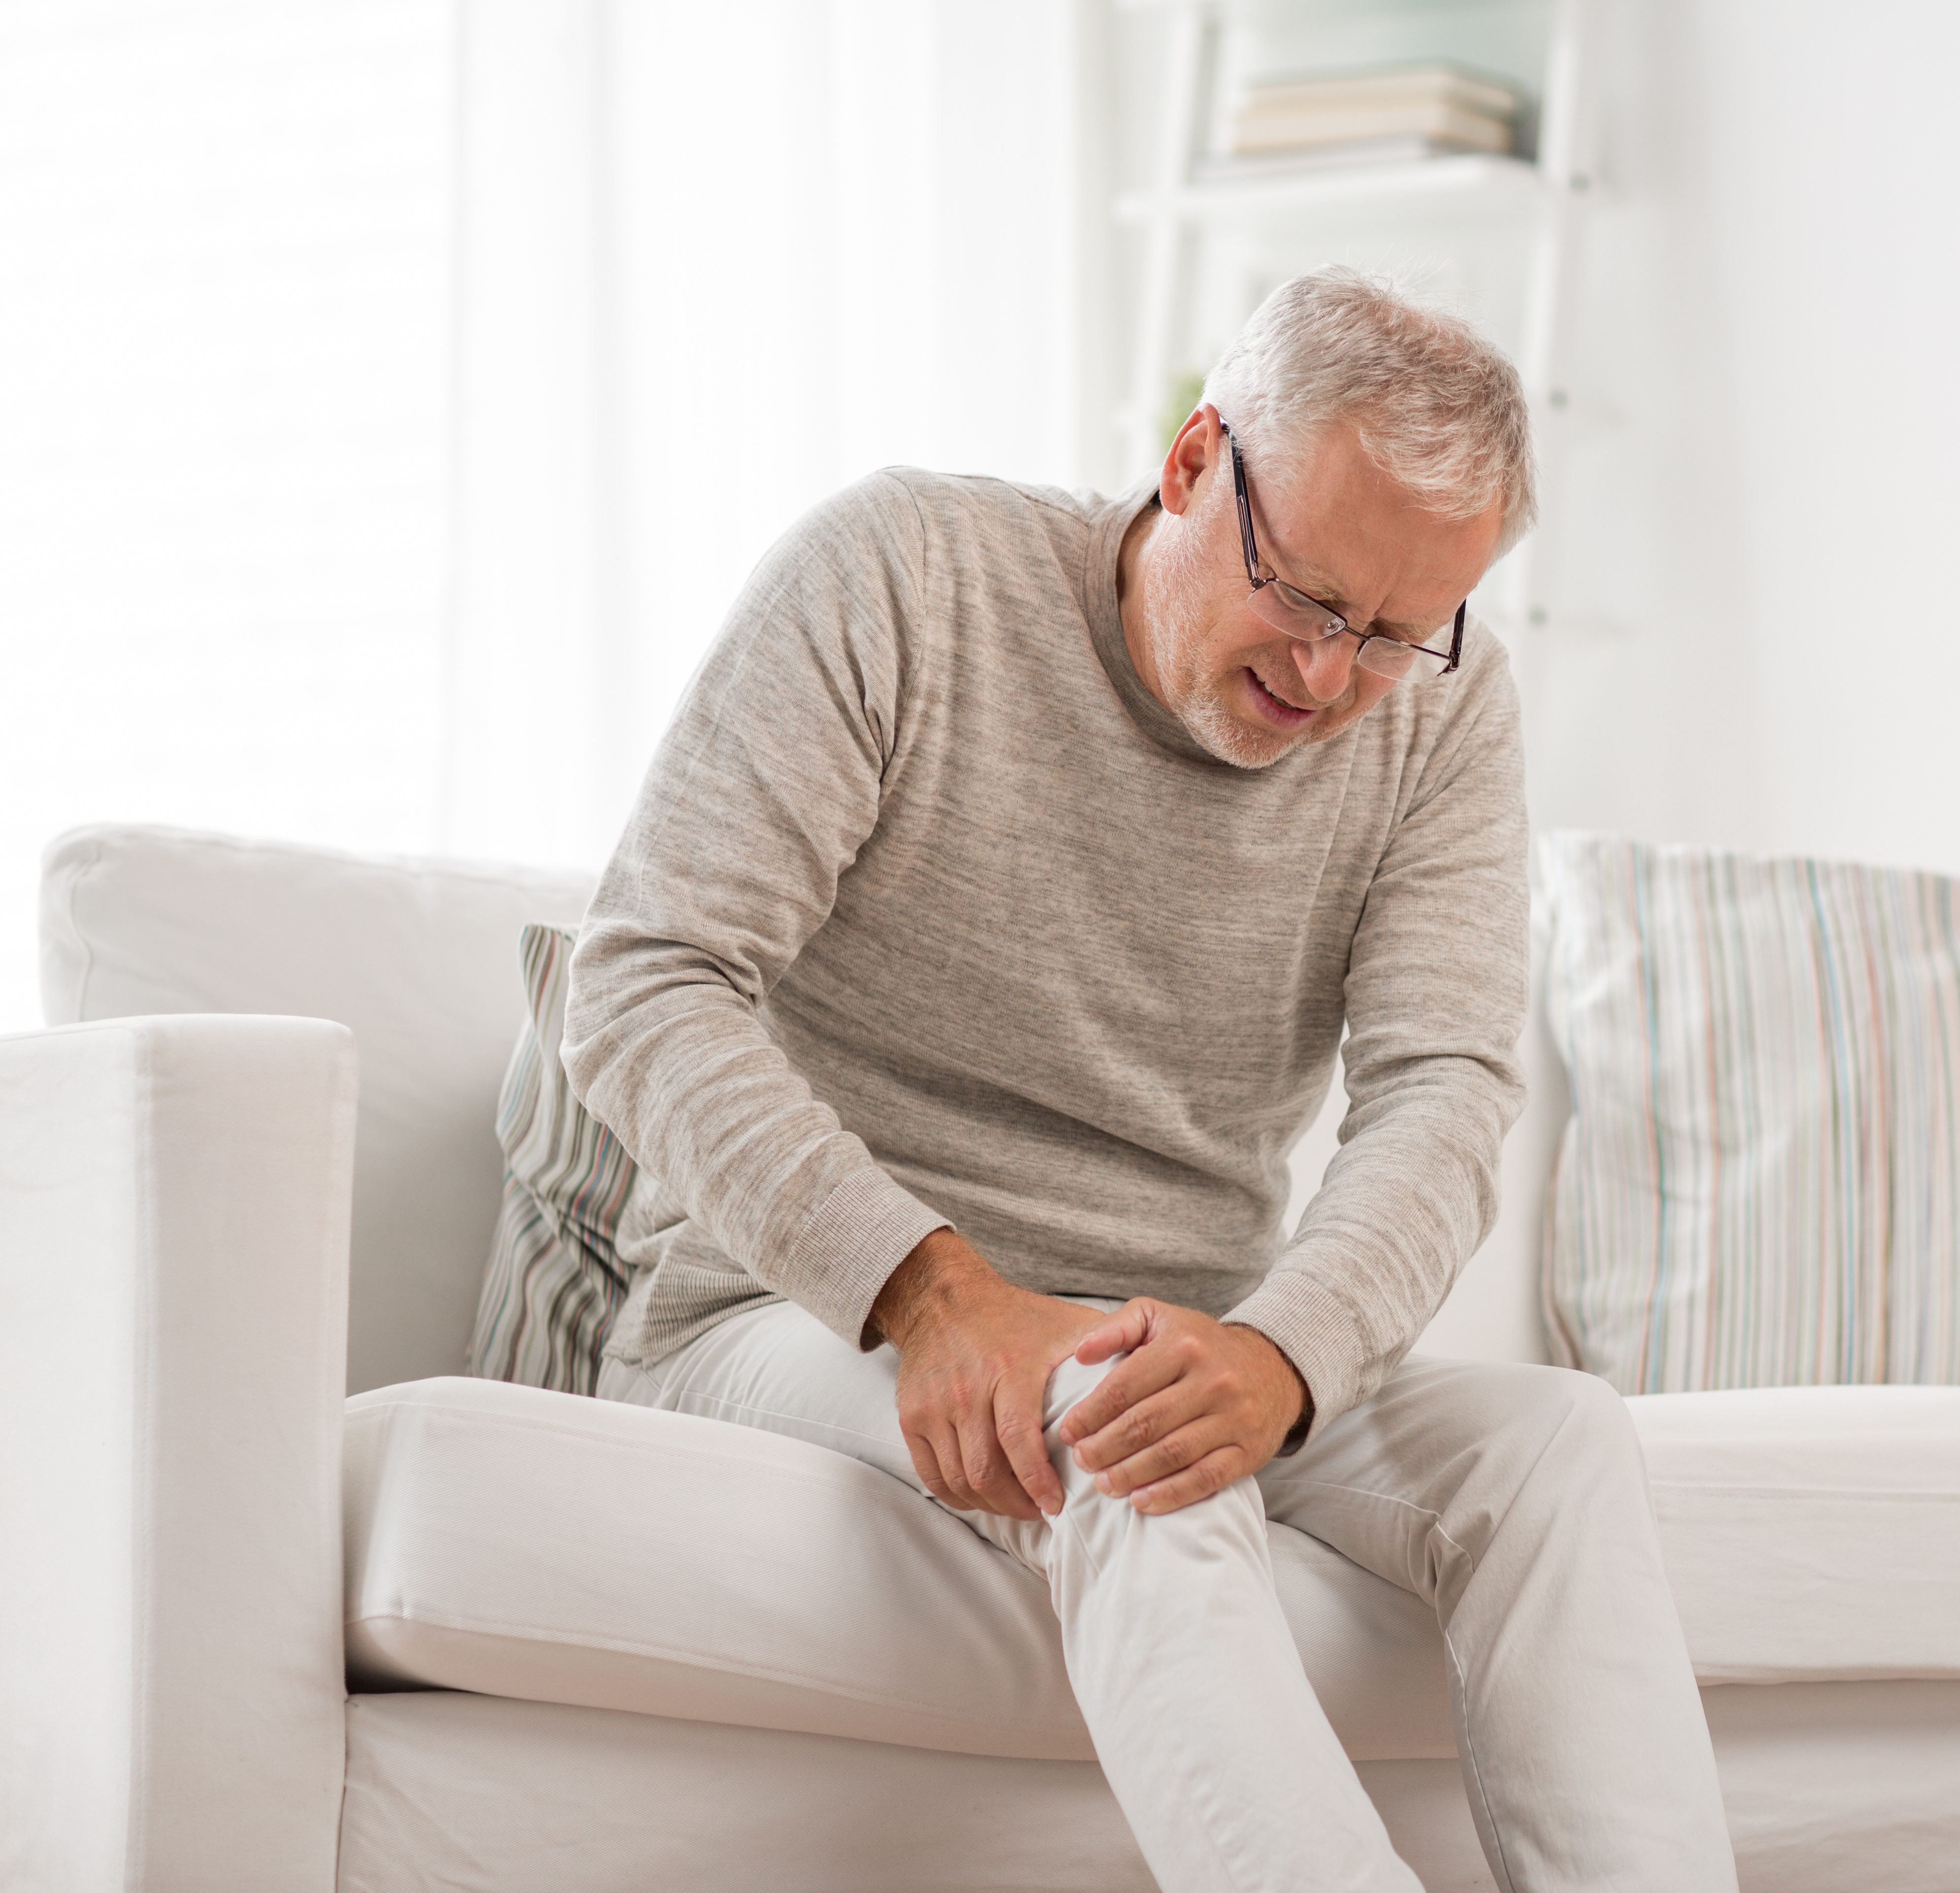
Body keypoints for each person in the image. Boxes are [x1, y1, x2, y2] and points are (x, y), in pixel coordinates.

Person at [563, 266, 1740, 1892]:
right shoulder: (905, 574)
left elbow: (1446, 1090)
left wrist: (1280, 1352)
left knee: (1555, 1445)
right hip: (791, 1318)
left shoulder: (1443, 714)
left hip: (1174, 1331)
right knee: (1128, 1444)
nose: (1335, 680)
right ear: (1195, 462)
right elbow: (646, 981)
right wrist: (936, 1294)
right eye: (1311, 599)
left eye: (1398, 635)